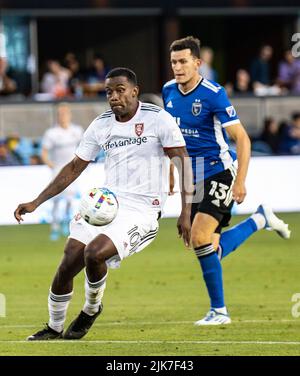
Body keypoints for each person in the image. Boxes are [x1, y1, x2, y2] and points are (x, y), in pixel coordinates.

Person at [14, 67, 193, 341]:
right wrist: (37, 202)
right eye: (109, 91)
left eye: (120, 90)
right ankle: (54, 327)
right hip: (107, 204)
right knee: (67, 263)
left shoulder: (158, 120)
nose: (114, 97)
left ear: (134, 91)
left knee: (95, 253)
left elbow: (183, 161)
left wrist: (185, 212)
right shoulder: (101, 124)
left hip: (142, 210)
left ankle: (91, 308)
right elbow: (74, 167)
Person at [162, 36, 290, 325]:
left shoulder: (213, 94)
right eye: (173, 62)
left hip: (219, 171)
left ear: (198, 63)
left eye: (183, 61)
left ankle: (219, 312)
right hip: (192, 177)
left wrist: (240, 181)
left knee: (198, 238)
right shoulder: (168, 91)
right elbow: (172, 138)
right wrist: (171, 170)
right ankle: (260, 220)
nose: (178, 67)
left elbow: (242, 138)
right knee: (210, 249)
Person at [41, 103, 84, 240]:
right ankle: (54, 228)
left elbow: (84, 148)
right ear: (57, 116)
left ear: (69, 114)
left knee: (70, 201)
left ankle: (66, 224)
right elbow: (44, 153)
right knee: (55, 200)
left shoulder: (77, 130)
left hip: (72, 171)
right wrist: (51, 165)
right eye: (60, 114)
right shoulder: (51, 133)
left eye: (65, 113)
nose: (63, 116)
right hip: (57, 171)